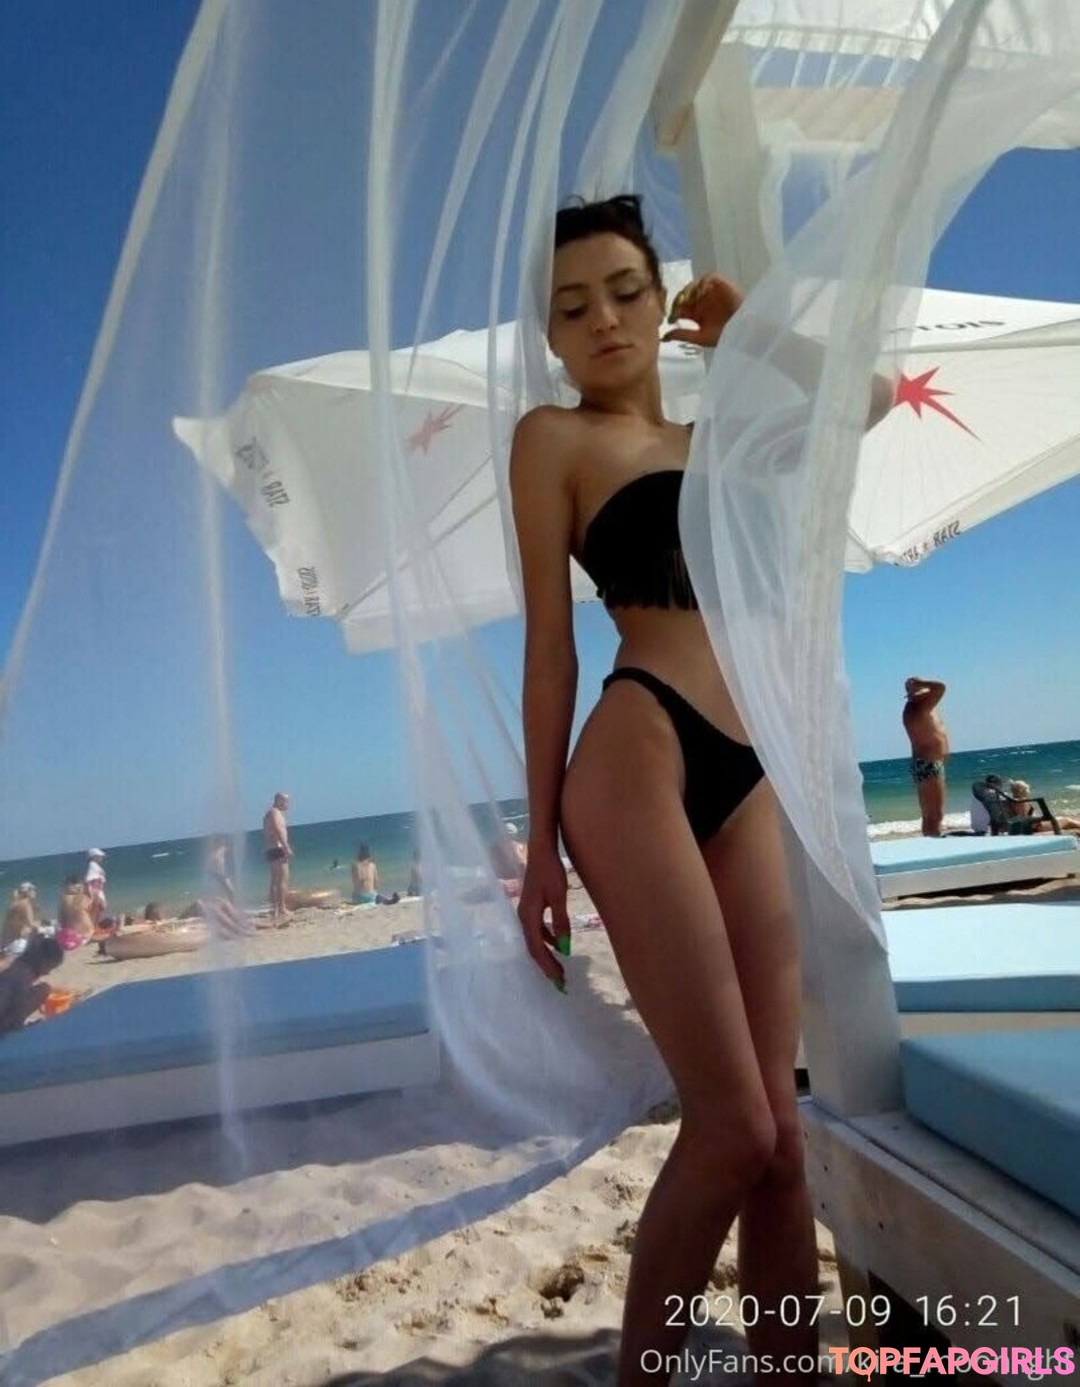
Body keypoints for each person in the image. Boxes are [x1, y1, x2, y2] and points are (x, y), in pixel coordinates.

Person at [509, 195, 892, 1386]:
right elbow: (549, 649)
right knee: (728, 1127)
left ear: (661, 300)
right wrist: (538, 846)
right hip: (639, 750)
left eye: (626, 290)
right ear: (552, 338)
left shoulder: (723, 436)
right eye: (573, 306)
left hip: (750, 769)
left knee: (780, 1142)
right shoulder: (553, 439)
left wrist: (761, 328)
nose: (604, 319)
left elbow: (869, 399)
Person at [902, 677, 949, 836]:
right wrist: (920, 682)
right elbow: (941, 687)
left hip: (923, 763)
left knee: (929, 815)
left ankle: (929, 841)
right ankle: (935, 844)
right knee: (936, 815)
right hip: (929, 763)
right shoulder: (921, 704)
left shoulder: (914, 707)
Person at [0, 932, 64, 1035]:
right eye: (50, 967)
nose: (48, 972)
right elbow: (17, 1010)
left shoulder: (15, 965)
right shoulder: (23, 975)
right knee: (44, 989)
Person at [1007, 780, 1080, 834]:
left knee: (1063, 820)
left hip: (1028, 826)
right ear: (1023, 790)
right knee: (1067, 821)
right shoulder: (1022, 802)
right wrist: (1039, 819)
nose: (1028, 791)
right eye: (1027, 789)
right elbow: (1024, 818)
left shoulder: (1010, 801)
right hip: (1037, 827)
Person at [262, 792, 293, 922]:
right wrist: (286, 847)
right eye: (286, 801)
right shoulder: (275, 813)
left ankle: (274, 909)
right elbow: (277, 829)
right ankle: (281, 908)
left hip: (271, 848)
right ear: (280, 801)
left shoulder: (270, 813)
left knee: (275, 880)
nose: (288, 804)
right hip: (277, 848)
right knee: (282, 880)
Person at [2, 883, 39, 952]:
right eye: (33, 890)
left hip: (7, 944)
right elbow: (31, 925)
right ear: (27, 892)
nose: (35, 892)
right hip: (16, 945)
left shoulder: (15, 904)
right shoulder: (26, 904)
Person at [84, 848, 108, 925]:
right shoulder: (92, 866)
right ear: (94, 857)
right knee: (99, 907)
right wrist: (93, 893)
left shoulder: (94, 865)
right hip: (96, 890)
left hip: (97, 889)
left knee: (99, 908)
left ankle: (94, 925)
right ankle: (94, 925)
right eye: (99, 856)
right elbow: (88, 880)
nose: (101, 858)